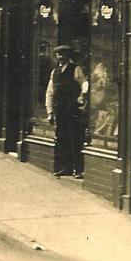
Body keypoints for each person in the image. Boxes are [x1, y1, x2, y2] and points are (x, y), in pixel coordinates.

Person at [46, 44, 88, 179]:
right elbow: (50, 92)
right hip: (60, 110)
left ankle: (78, 169)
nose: (60, 57)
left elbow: (85, 85)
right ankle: (65, 167)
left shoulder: (76, 69)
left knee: (74, 138)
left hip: (72, 109)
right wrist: (50, 111)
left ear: (68, 55)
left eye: (63, 54)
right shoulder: (55, 72)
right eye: (58, 54)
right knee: (61, 138)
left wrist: (81, 98)